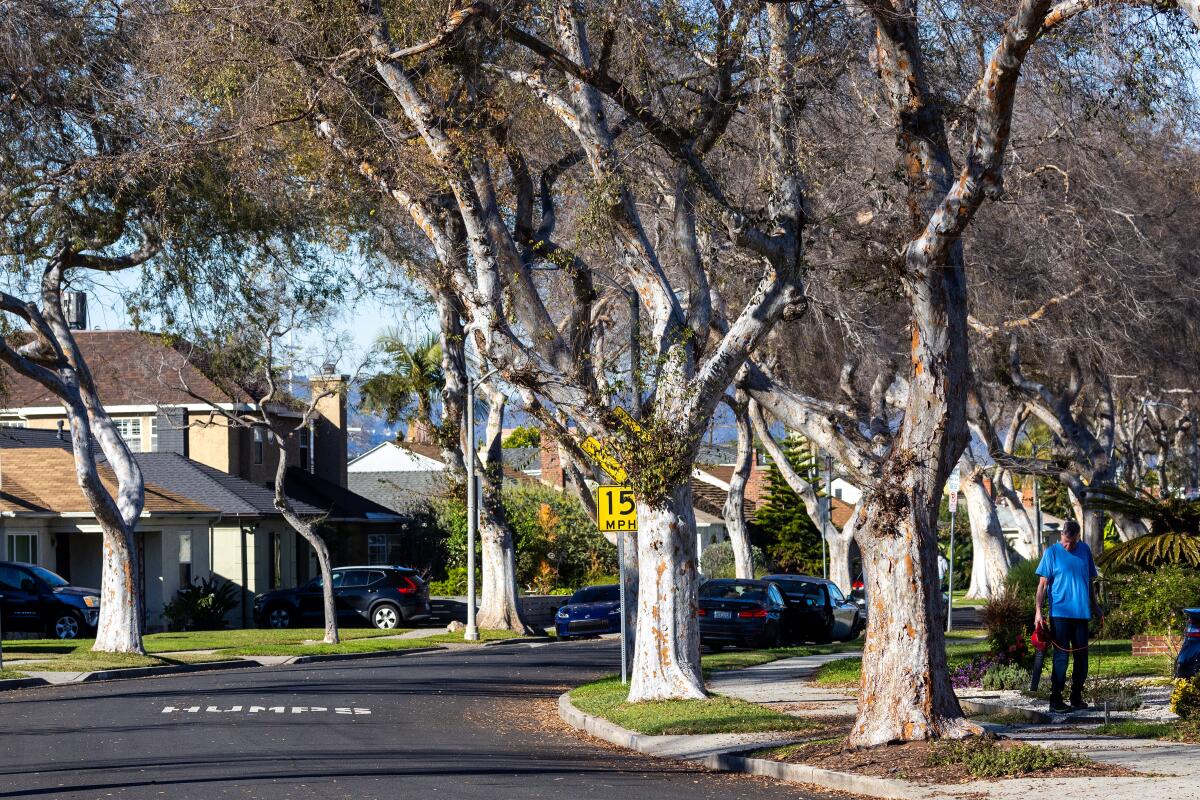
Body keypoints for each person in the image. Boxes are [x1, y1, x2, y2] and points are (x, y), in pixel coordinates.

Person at [1034, 519, 1099, 713]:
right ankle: (1056, 699)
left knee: (1082, 658)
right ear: (1061, 535)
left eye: (1071, 542)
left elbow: (1089, 582)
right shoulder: (1052, 553)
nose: (1067, 545)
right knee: (1061, 658)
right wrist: (1038, 611)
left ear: (1078, 537)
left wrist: (1095, 606)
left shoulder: (1085, 551)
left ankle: (1076, 696)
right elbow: (1042, 585)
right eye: (1064, 540)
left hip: (1081, 614)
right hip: (1059, 614)